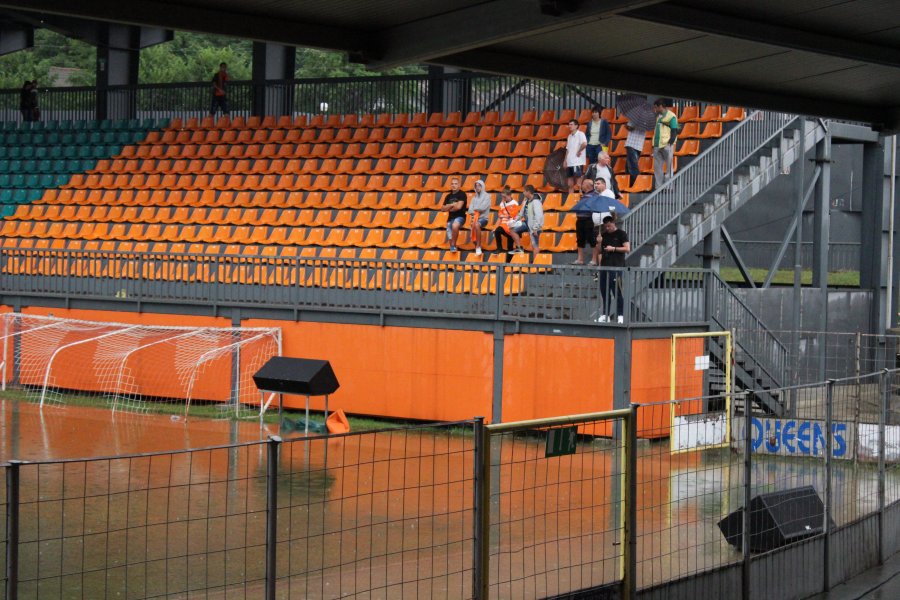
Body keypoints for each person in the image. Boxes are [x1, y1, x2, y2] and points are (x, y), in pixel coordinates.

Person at [596, 215, 630, 323]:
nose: (608, 228)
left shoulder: (621, 234)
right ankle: (605, 314)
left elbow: (627, 248)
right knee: (604, 292)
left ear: (613, 223)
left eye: (609, 226)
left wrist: (614, 248)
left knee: (617, 292)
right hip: (605, 267)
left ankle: (621, 315)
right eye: (606, 226)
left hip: (617, 267)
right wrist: (599, 242)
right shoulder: (604, 235)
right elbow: (599, 251)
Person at [508, 184, 544, 259]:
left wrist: (536, 227)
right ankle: (519, 248)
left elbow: (539, 216)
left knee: (535, 245)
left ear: (529, 192)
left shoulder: (536, 202)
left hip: (535, 227)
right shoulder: (526, 201)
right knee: (512, 230)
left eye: (524, 191)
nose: (523, 193)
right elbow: (521, 213)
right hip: (527, 223)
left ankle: (535, 265)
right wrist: (514, 221)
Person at [652, 98, 679, 187]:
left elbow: (674, 131)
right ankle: (658, 187)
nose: (655, 110)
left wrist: (670, 143)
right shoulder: (658, 117)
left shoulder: (671, 116)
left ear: (660, 106)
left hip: (667, 144)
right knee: (657, 168)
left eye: (656, 108)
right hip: (657, 145)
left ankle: (669, 186)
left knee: (668, 167)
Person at [572, 177, 598, 265]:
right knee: (580, 239)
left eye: (583, 184)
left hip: (589, 219)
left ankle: (594, 259)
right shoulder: (583, 195)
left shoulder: (595, 195)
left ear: (587, 186)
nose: (581, 185)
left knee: (592, 240)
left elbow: (593, 207)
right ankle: (580, 259)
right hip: (580, 219)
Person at [441, 177, 467, 251]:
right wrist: (452, 205)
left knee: (454, 225)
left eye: (455, 184)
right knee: (449, 227)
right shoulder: (448, 196)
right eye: (452, 184)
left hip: (460, 217)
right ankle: (453, 247)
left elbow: (459, 207)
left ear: (459, 185)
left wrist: (448, 207)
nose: (454, 185)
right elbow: (442, 209)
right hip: (450, 218)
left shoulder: (462, 194)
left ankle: (453, 245)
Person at [493, 186, 520, 254]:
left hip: (511, 225)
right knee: (497, 231)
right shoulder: (502, 204)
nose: (503, 198)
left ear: (509, 195)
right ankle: (499, 248)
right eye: (502, 197)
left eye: (505, 197)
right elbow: (499, 215)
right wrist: (504, 216)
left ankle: (509, 261)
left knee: (510, 247)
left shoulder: (515, 203)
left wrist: (504, 215)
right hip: (504, 224)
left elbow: (512, 215)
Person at [467, 179, 491, 256]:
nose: (477, 187)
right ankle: (477, 247)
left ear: (482, 186)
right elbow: (470, 210)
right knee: (473, 227)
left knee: (477, 224)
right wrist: (476, 209)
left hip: (484, 219)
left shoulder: (487, 196)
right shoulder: (474, 198)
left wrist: (475, 209)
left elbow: (483, 208)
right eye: (476, 186)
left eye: (479, 185)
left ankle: (478, 246)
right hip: (474, 218)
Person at [564, 118, 587, 193]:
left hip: (577, 162)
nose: (569, 126)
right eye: (569, 124)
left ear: (576, 126)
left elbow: (584, 144)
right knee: (570, 184)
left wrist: (579, 151)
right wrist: (565, 160)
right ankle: (570, 200)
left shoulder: (581, 134)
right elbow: (567, 149)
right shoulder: (569, 136)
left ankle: (581, 198)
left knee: (578, 184)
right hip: (570, 162)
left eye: (571, 124)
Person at [624, 120, 647, 187]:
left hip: (635, 145)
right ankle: (629, 184)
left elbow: (631, 128)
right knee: (629, 166)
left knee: (632, 166)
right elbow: (629, 128)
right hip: (634, 144)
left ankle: (637, 183)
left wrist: (631, 125)